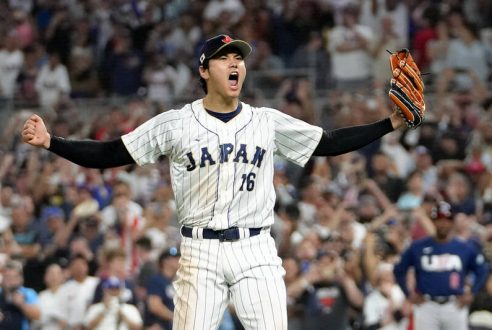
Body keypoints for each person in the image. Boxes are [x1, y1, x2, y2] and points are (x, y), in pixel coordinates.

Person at [23, 34, 409, 329]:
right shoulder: (176, 123)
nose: (234, 63)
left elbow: (328, 142)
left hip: (255, 248)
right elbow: (111, 153)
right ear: (205, 70)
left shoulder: (265, 121)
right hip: (199, 252)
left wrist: (390, 123)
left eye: (239, 57)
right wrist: (52, 142)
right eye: (224, 57)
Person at [394, 200, 489, 330]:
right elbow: (399, 270)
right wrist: (408, 293)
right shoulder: (418, 247)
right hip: (426, 305)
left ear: (452, 222)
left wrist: (472, 293)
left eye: (447, 219)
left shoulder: (464, 247)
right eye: (439, 219)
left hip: (454, 304)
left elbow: (482, 270)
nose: (443, 224)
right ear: (433, 221)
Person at [0, 259, 41, 330]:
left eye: (14, 277)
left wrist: (22, 305)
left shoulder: (27, 292)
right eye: (7, 276)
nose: (10, 280)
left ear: (20, 278)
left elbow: (37, 315)